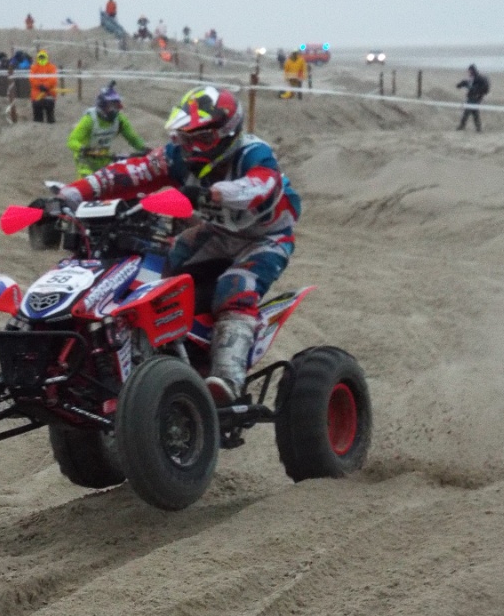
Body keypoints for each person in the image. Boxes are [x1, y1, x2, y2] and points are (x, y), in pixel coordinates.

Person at [56, 85, 301, 404]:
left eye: (203, 139)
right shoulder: (176, 157)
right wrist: (69, 194)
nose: (193, 148)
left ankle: (226, 380)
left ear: (228, 135)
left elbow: (259, 187)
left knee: (235, 287)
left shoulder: (253, 153)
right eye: (186, 138)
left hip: (266, 238)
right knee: (155, 270)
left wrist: (210, 193)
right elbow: (127, 173)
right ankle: (157, 352)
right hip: (215, 232)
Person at [66, 81, 146, 176]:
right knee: (88, 180)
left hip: (104, 157)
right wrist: (84, 149)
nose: (114, 110)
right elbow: (72, 141)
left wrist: (144, 149)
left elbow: (133, 138)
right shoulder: (89, 119)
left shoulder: (120, 119)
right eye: (111, 106)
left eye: (116, 106)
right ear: (102, 105)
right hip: (85, 159)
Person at [456, 63, 490, 132]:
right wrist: (461, 84)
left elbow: (479, 88)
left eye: (469, 71)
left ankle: (462, 126)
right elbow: (468, 84)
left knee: (467, 112)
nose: (468, 72)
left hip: (475, 98)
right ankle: (478, 128)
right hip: (473, 97)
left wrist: (477, 93)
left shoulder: (478, 78)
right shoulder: (474, 78)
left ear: (472, 70)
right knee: (475, 112)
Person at [29, 49, 58, 123]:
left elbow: (53, 79)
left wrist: (46, 85)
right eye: (40, 57)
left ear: (46, 57)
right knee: (37, 117)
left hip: (49, 93)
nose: (42, 59)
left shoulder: (52, 67)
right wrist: (40, 85)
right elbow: (32, 79)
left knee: (50, 115)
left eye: (43, 57)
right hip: (37, 94)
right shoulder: (33, 68)